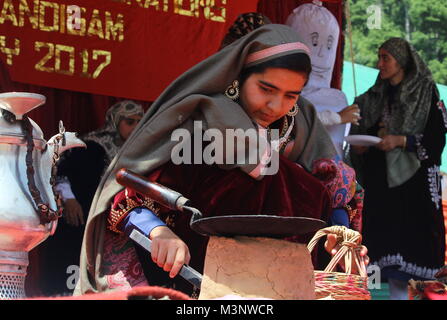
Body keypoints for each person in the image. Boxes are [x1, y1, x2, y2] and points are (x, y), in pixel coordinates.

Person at [75, 24, 367, 296]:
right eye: (266, 89)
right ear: (237, 77)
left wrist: (341, 234)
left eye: (291, 95)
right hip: (200, 291)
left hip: (287, 289)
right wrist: (158, 232)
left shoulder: (301, 130)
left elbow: (336, 193)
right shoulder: (196, 132)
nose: (276, 106)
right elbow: (127, 198)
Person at [349, 37, 447, 300]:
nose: (379, 63)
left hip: (415, 185)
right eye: (378, 56)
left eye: (386, 58)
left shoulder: (425, 93)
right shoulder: (375, 96)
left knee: (416, 246)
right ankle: (374, 296)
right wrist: (360, 147)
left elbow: (437, 137)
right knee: (378, 244)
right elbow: (366, 132)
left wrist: (402, 141)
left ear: (402, 61)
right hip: (382, 184)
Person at [39, 100, 144, 296]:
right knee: (68, 267)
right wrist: (69, 199)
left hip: (110, 219)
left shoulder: (136, 150)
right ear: (115, 121)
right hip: (79, 214)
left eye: (140, 122)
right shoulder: (90, 144)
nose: (135, 127)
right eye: (129, 122)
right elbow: (59, 171)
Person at [286, 1, 361, 157]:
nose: (321, 54)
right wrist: (337, 117)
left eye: (329, 46)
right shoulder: (285, 92)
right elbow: (297, 121)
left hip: (331, 173)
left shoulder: (337, 97)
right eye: (314, 42)